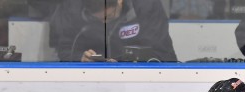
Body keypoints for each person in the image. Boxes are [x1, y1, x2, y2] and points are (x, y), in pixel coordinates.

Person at [49, 0, 177, 62]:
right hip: (94, 82)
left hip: (142, 79)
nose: (105, 23)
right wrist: (80, 58)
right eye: (98, 19)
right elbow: (65, 50)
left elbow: (163, 54)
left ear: (119, 1)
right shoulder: (74, 8)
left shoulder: (146, 6)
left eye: (109, 17)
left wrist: (123, 63)